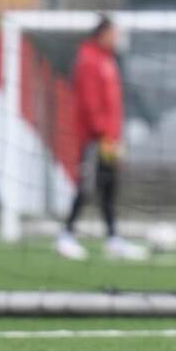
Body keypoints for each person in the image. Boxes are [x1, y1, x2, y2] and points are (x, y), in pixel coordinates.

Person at [56, 16, 149, 261]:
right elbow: (90, 102)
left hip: (109, 138)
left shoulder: (107, 60)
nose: (117, 39)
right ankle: (66, 235)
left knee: (109, 186)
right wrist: (101, 133)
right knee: (86, 185)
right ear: (102, 34)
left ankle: (112, 238)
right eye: (114, 34)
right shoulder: (89, 59)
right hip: (95, 138)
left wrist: (114, 136)